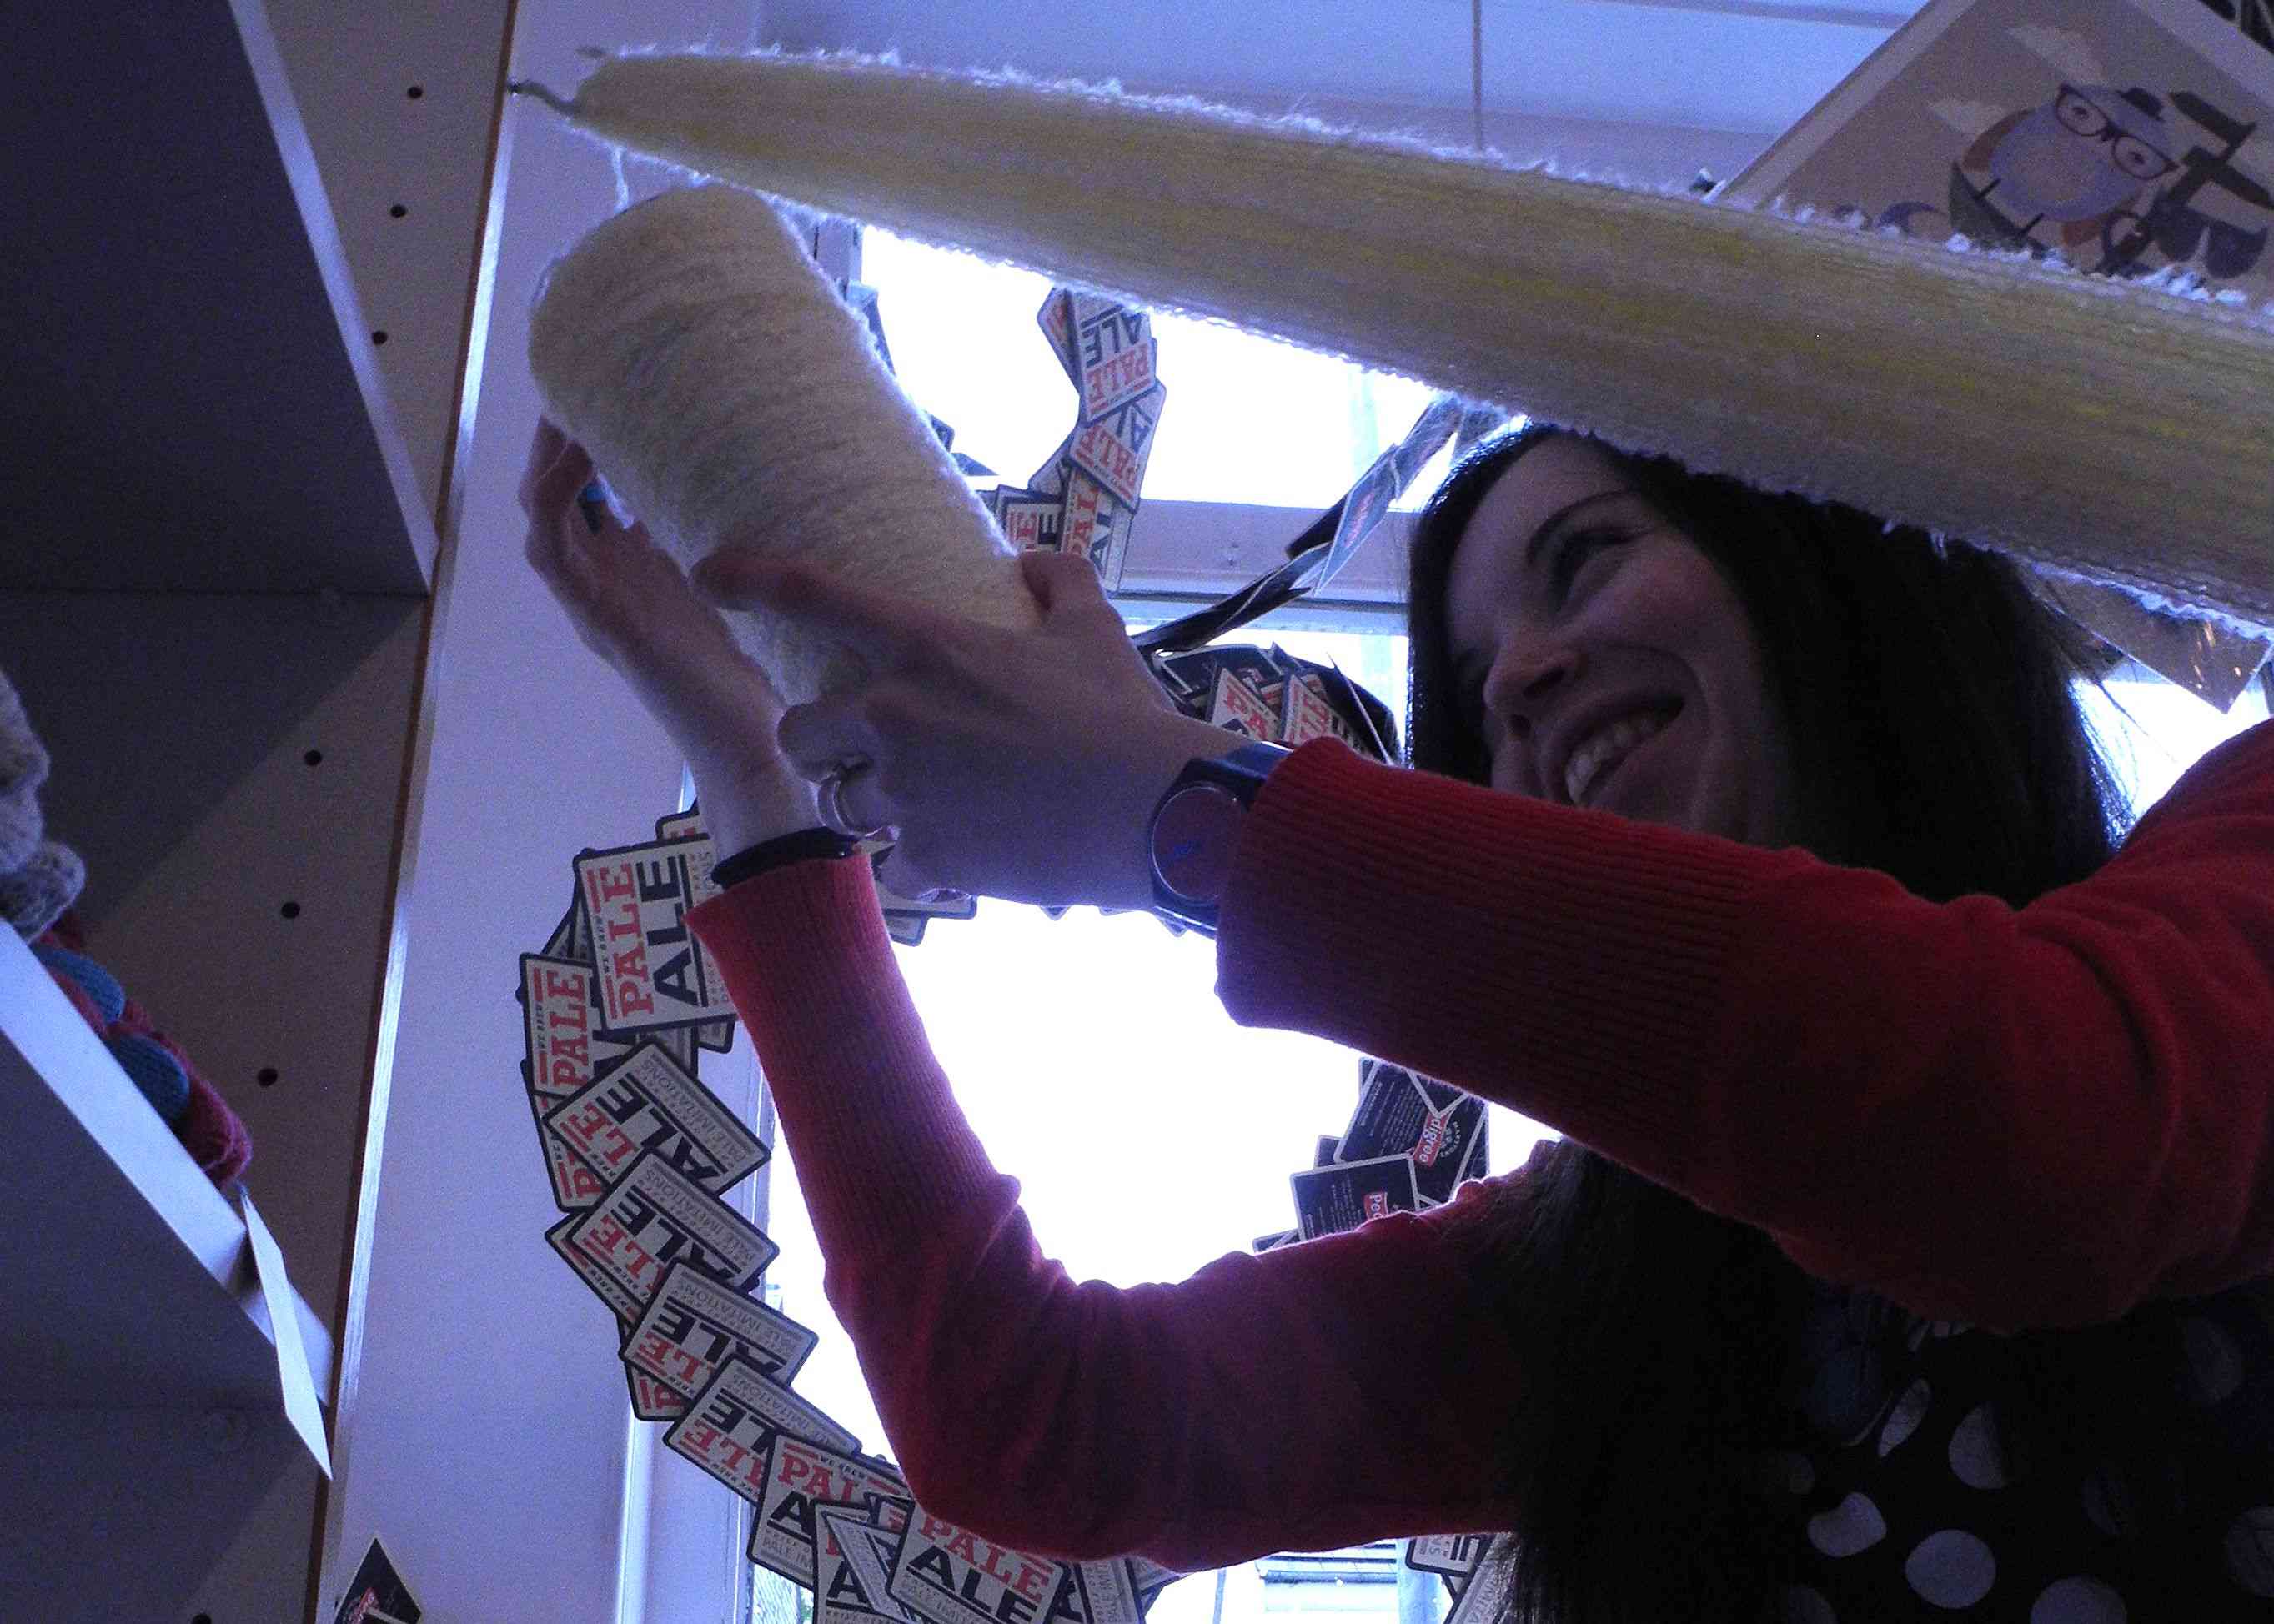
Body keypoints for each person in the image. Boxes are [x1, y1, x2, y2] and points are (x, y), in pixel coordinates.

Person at [521, 416, 2274, 1622]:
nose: (1521, 678)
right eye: (1477, 686)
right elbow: (1033, 1411)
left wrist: (1180, 810)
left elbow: (2045, 1131)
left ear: (1822, 574)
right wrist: (756, 784)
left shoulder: (2237, 861)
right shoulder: (1590, 1299)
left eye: (1586, 560)